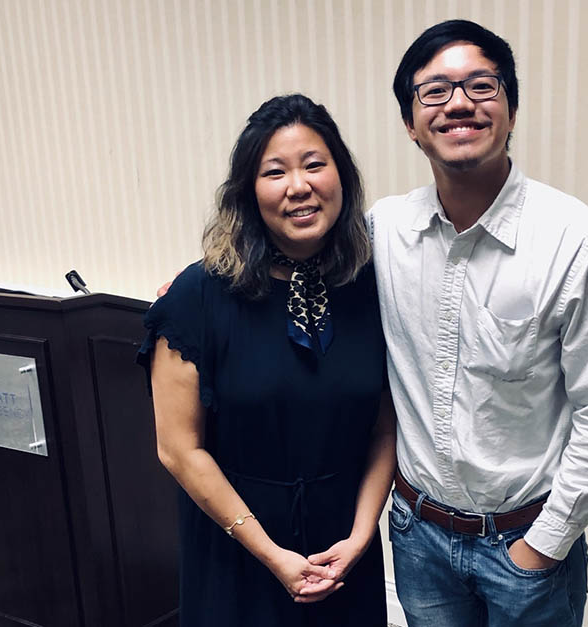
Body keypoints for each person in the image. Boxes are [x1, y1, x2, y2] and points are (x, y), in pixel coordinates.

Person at [367, 20, 588, 626]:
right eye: (434, 91)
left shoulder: (576, 241)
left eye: (481, 86)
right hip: (418, 537)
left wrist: (543, 545)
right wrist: (199, 288)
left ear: (511, 111)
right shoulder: (384, 231)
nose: (459, 103)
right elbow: (294, 255)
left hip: (525, 548)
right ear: (411, 126)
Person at [138, 94, 395, 626]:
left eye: (315, 165)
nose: (298, 186)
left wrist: (361, 536)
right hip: (237, 547)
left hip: (344, 554)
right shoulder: (197, 296)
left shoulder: (371, 285)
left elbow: (386, 426)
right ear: (248, 193)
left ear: (341, 177)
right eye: (274, 172)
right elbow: (179, 450)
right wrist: (271, 554)